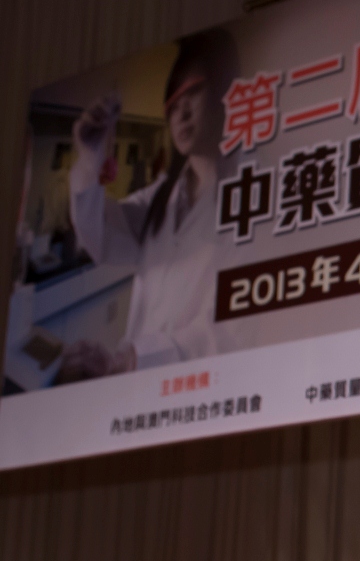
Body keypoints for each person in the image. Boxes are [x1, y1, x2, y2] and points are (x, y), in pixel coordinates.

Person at [60, 29, 237, 381]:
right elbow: (100, 237)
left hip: (198, 393)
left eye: (194, 92)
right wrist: (90, 159)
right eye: (173, 103)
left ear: (224, 95)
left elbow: (229, 327)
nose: (181, 113)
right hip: (136, 391)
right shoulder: (163, 197)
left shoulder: (251, 194)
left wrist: (131, 360)